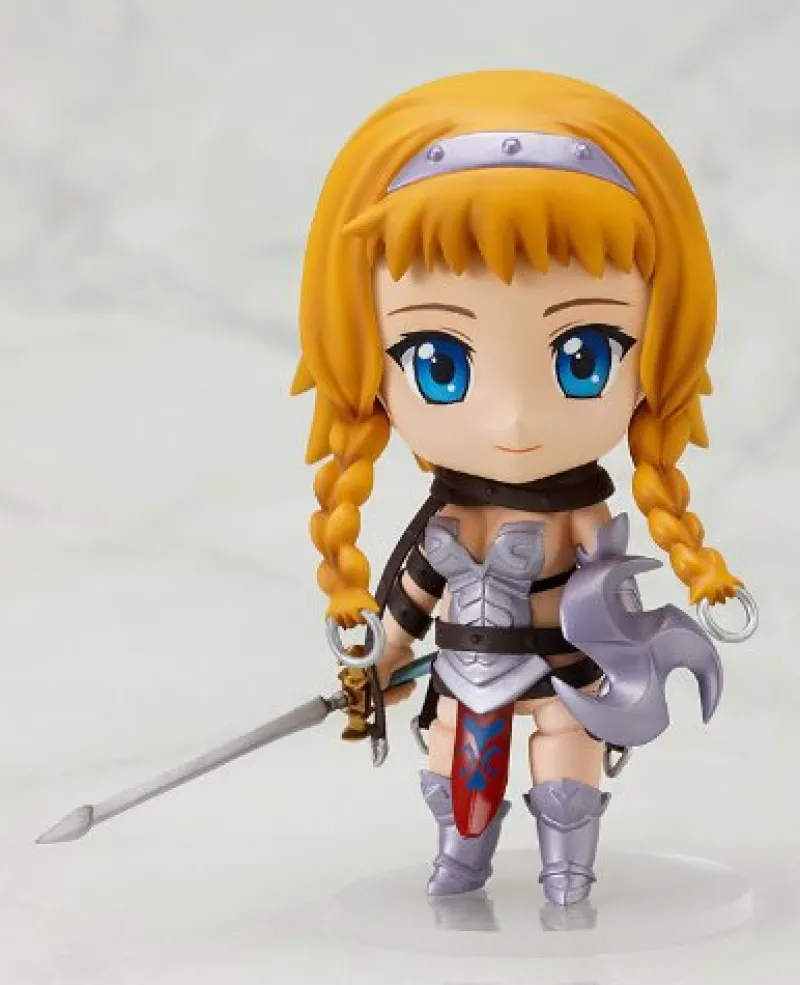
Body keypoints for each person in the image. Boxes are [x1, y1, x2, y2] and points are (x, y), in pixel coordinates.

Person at [292, 70, 756, 906]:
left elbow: (611, 596)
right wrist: (384, 655)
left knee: (566, 756)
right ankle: (460, 858)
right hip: (462, 671)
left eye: (584, 358)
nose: (512, 418)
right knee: (454, 764)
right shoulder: (453, 516)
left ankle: (567, 869)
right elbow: (415, 588)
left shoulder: (581, 513)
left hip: (566, 673)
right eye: (439, 363)